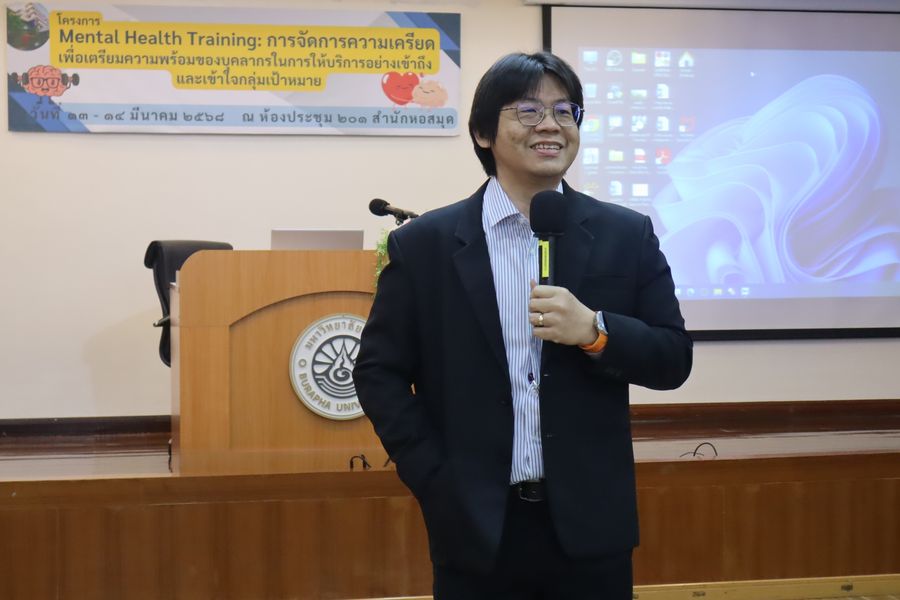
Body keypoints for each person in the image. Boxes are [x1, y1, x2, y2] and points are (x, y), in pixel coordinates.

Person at [353, 51, 693, 600]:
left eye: (564, 111)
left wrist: (596, 331)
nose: (551, 125)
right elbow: (378, 372)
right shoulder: (425, 245)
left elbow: (673, 358)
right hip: (475, 525)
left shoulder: (626, 235)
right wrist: (433, 476)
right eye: (528, 111)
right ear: (484, 132)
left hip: (591, 530)